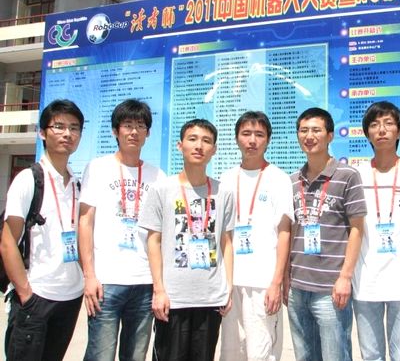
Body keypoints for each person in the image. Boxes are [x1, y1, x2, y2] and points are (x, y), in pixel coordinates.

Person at [138, 119, 234, 360]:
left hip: (210, 298)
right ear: (180, 146)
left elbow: (226, 242)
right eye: (193, 139)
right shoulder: (162, 189)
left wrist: (228, 287)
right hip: (174, 298)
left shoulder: (224, 192)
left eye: (206, 141)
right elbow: (153, 242)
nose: (199, 146)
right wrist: (159, 290)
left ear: (214, 149)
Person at [78, 99, 166, 361]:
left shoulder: (158, 176)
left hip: (144, 283)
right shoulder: (97, 168)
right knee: (100, 355)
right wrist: (89, 276)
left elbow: (159, 235)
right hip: (106, 283)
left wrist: (159, 286)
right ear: (115, 130)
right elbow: (85, 222)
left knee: (136, 356)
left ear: (148, 133)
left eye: (141, 125)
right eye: (127, 125)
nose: (134, 131)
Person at [1, 99, 85, 360]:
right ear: (42, 133)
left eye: (74, 128)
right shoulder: (29, 179)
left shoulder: (77, 184)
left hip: (71, 296)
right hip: (37, 295)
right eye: (59, 126)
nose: (67, 134)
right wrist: (26, 293)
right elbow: (7, 242)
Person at [353, 101, 400, 361]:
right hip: (366, 280)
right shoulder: (357, 175)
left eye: (388, 123)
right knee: (371, 355)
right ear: (367, 134)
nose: (381, 130)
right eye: (374, 125)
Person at [287, 107, 366, 361]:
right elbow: (291, 231)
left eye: (316, 130)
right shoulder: (292, 181)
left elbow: (357, 229)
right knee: (305, 357)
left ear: (330, 135)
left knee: (335, 356)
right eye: (303, 130)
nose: (309, 136)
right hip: (297, 288)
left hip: (330, 289)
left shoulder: (348, 176)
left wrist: (345, 278)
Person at [219, 111, 293, 361]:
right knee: (231, 352)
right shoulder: (226, 179)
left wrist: (276, 282)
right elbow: (223, 233)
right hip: (231, 282)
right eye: (246, 134)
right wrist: (223, 283)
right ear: (236, 138)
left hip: (263, 282)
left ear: (268, 139)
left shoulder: (279, 179)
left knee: (260, 352)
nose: (252, 140)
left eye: (259, 134)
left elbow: (284, 233)